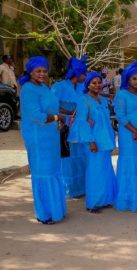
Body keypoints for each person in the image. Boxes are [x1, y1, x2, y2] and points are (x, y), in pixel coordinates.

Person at [19, 56, 66, 224]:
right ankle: (44, 214)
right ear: (30, 71)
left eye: (44, 71)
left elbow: (53, 108)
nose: (42, 74)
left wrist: (59, 120)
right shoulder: (28, 89)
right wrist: (56, 117)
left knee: (53, 171)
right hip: (38, 138)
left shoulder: (45, 88)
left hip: (51, 137)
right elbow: (36, 116)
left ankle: (57, 210)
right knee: (43, 173)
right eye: (38, 71)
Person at [69, 72, 117, 213]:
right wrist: (91, 141)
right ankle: (93, 203)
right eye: (93, 83)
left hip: (105, 141)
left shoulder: (101, 100)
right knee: (95, 172)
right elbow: (82, 123)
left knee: (105, 170)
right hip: (94, 141)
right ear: (87, 85)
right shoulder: (84, 100)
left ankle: (105, 200)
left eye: (98, 82)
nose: (97, 85)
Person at [113, 61, 137, 212]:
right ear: (127, 80)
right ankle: (129, 198)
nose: (136, 81)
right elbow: (120, 116)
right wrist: (134, 130)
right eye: (133, 79)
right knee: (129, 161)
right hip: (128, 133)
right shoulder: (121, 95)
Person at [52, 56, 88, 198]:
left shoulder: (82, 87)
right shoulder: (59, 87)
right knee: (67, 157)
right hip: (65, 126)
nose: (85, 76)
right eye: (84, 73)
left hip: (80, 126)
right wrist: (68, 114)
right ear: (77, 73)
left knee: (81, 156)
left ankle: (81, 187)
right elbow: (52, 107)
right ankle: (68, 189)